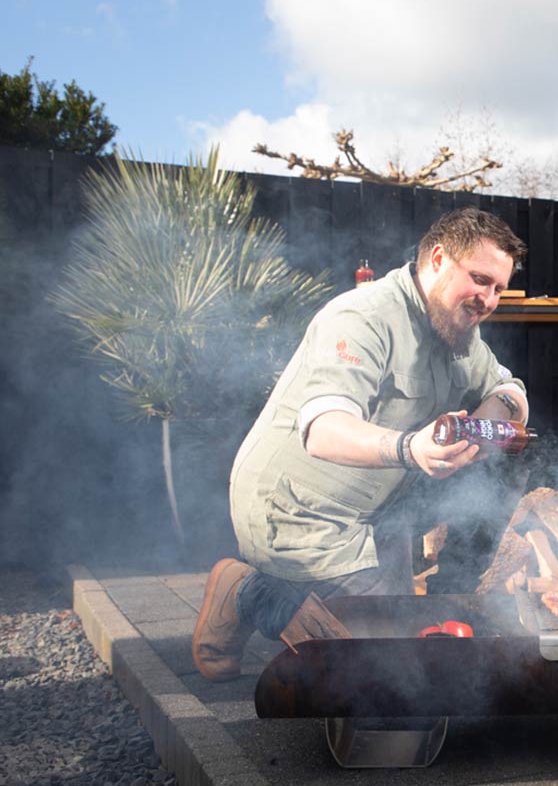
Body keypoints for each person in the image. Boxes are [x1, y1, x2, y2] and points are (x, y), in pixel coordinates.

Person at [192, 207, 530, 682]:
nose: (489, 299)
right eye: (480, 280)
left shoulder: (458, 331)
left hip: (377, 514)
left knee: (395, 655)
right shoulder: (361, 317)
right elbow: (323, 428)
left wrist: (482, 425)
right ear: (437, 259)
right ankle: (245, 591)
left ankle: (357, 597)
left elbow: (510, 391)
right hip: (299, 509)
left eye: (498, 288)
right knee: (365, 665)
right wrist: (412, 447)